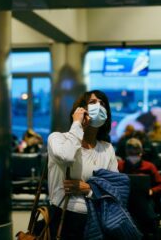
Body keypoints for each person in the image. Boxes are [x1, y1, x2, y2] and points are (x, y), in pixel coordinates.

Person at [47, 90, 118, 240]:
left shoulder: (107, 148)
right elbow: (67, 157)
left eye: (102, 103)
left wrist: (89, 188)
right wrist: (77, 124)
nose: (98, 106)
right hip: (64, 217)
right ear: (80, 110)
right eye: (92, 102)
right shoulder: (57, 138)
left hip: (98, 219)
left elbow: (114, 188)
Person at [118, 138, 161, 238]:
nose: (133, 157)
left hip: (145, 199)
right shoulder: (119, 166)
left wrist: (151, 191)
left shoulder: (149, 166)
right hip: (124, 199)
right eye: (131, 154)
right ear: (126, 152)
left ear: (141, 152)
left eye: (136, 154)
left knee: (142, 204)